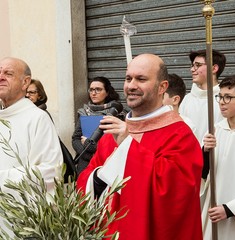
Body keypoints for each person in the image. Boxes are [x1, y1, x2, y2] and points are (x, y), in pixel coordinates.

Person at [76, 54, 203, 240]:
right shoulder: (112, 135)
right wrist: (96, 179)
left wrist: (129, 148)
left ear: (162, 87)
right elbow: (88, 177)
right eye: (128, 78)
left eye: (141, 79)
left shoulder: (179, 135)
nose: (131, 85)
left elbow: (177, 194)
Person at [0, 57, 63, 235]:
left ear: (25, 82)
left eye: (8, 73)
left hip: (21, 222)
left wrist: (2, 179)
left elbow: (50, 171)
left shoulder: (38, 119)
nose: (1, 77)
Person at [201, 75, 235, 239]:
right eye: (220, 97)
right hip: (213, 210)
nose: (222, 102)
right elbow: (203, 175)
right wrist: (205, 152)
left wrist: (230, 209)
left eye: (228, 97)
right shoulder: (214, 131)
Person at [72, 76, 125, 175]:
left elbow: (118, 142)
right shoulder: (84, 112)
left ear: (107, 92)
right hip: (85, 164)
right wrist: (85, 153)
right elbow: (76, 138)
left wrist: (93, 147)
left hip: (107, 162)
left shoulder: (116, 114)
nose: (93, 93)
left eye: (98, 89)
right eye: (91, 90)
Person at [26, 78, 74, 182]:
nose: (27, 95)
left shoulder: (42, 114)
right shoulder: (26, 113)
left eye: (31, 92)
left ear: (40, 95)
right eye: (25, 92)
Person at [179, 49, 226, 143]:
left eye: (198, 65)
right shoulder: (186, 100)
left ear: (214, 68)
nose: (192, 69)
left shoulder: (224, 100)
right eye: (192, 65)